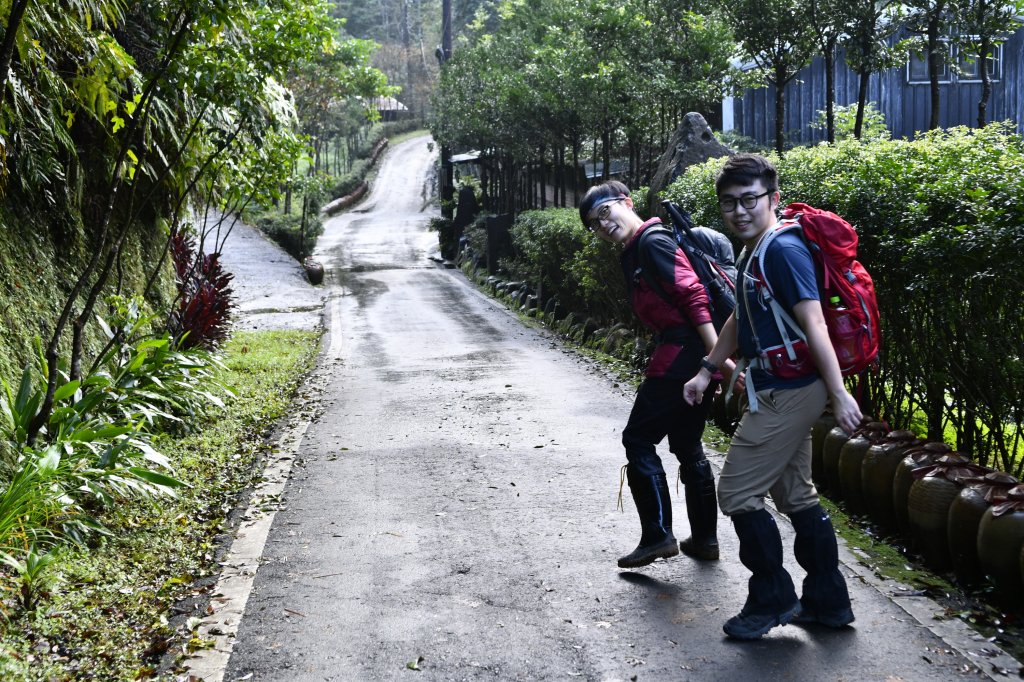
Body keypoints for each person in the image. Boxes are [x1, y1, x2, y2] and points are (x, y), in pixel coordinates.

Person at [683, 153, 862, 639]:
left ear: (773, 199)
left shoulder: (782, 251)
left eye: (749, 200)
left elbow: (814, 322)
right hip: (775, 385)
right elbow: (740, 318)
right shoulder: (754, 250)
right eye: (729, 204)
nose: (739, 211)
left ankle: (771, 598)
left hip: (791, 390)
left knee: (737, 493)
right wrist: (707, 369)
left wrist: (839, 393)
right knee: (794, 494)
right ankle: (827, 602)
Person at [579, 180, 729, 569]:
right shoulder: (638, 248)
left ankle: (658, 536)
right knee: (686, 441)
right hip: (692, 350)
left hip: (683, 350)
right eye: (595, 223)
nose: (603, 224)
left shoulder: (652, 242)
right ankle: (704, 540)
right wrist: (715, 359)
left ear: (627, 203)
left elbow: (693, 295)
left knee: (638, 438)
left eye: (606, 211)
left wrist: (716, 356)